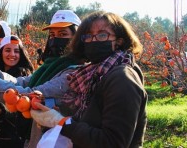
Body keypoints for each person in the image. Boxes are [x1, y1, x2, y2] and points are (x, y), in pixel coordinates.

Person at [0, 10, 83, 147]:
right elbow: (21, 82)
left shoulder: (74, 73)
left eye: (63, 34)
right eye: (52, 35)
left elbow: (32, 95)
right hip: (32, 137)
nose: (55, 39)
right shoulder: (49, 66)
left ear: (76, 38)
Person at [30, 11, 147, 147]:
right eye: (88, 36)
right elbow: (90, 117)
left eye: (102, 35)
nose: (94, 40)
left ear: (119, 41)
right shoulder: (91, 74)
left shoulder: (122, 79)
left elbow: (112, 143)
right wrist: (57, 112)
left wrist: (63, 122)